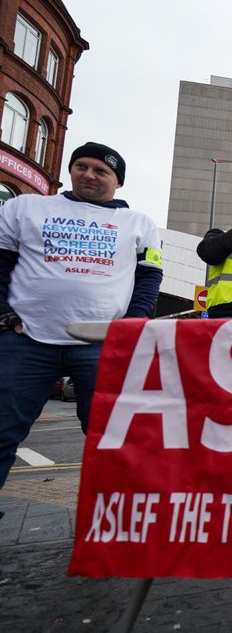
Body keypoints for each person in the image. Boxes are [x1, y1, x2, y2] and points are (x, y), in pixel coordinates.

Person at [0, 142, 163, 494]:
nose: (89, 174)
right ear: (71, 170)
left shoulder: (138, 223)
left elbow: (150, 277)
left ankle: (117, 525)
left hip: (101, 344)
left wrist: (132, 323)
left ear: (117, 181)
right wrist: (3, 313)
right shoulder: (24, 208)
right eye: (81, 166)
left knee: (113, 438)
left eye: (101, 170)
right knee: (2, 432)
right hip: (26, 339)